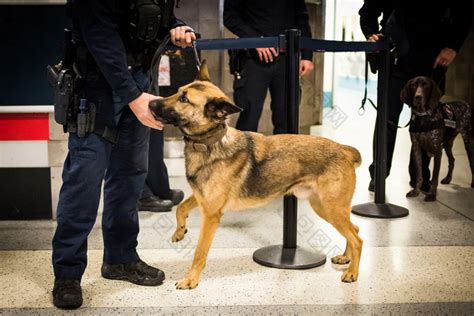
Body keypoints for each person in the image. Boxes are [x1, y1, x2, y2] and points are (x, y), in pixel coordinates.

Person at [51, 0, 195, 309]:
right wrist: (133, 97)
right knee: (83, 183)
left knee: (129, 179)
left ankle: (120, 259)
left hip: (139, 83)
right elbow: (100, 37)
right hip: (96, 88)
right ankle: (67, 275)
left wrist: (175, 28)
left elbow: (154, 16)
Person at [359, 0, 472, 191]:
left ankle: (420, 175)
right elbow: (368, 11)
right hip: (394, 56)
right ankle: (379, 174)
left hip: (433, 58)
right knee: (387, 118)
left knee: (426, 121)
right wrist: (371, 33)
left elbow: (464, 13)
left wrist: (453, 46)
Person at [224, 0, 314, 134]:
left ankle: (284, 155)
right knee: (249, 116)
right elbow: (230, 17)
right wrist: (256, 40)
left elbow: (301, 19)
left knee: (286, 118)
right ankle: (244, 155)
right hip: (253, 59)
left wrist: (307, 55)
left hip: (287, 59)